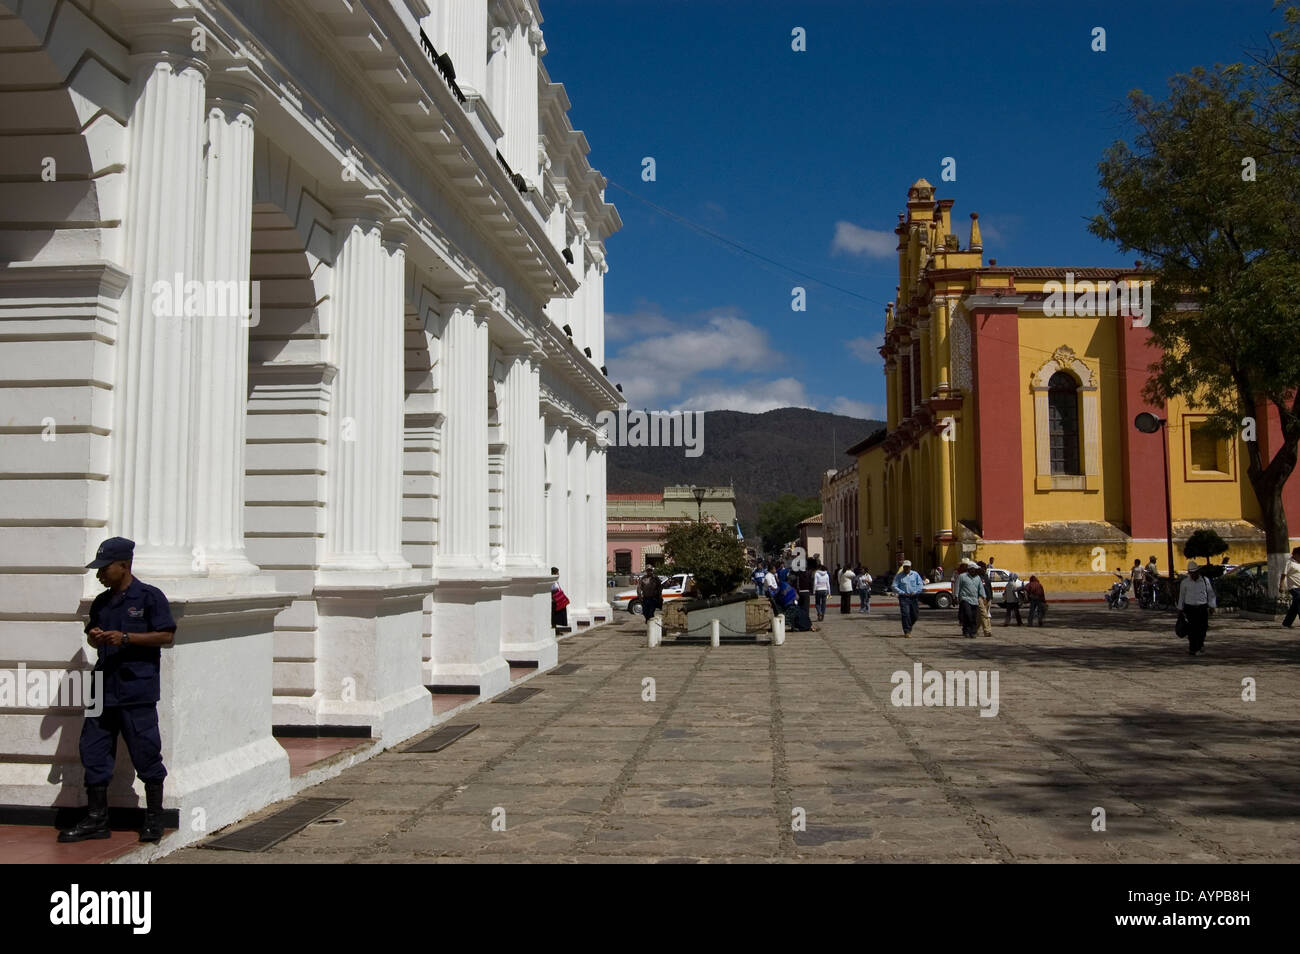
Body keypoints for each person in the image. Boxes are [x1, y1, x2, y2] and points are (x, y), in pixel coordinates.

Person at [59, 537, 176, 844]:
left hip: (136, 689)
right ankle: (97, 819)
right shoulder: (101, 602)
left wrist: (126, 638)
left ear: (124, 565)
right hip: (103, 688)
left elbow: (166, 635)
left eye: (104, 568)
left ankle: (154, 818)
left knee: (146, 751)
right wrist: (96, 637)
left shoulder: (150, 597)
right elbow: (92, 637)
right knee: (94, 750)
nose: (99, 575)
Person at [1177, 559, 1216, 655]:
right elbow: (1181, 596)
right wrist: (1180, 609)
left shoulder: (1205, 581)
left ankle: (1199, 645)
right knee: (1192, 629)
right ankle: (1193, 648)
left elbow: (1210, 593)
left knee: (1202, 628)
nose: (1193, 575)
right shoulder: (1185, 583)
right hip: (1189, 608)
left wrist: (1212, 606)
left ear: (1198, 571)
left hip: (1202, 607)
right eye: (1191, 573)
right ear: (1189, 573)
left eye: (1195, 572)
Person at [891, 559, 924, 638]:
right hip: (904, 597)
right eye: (905, 567)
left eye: (908, 567)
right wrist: (902, 592)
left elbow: (920, 585)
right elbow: (894, 586)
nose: (906, 568)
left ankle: (909, 625)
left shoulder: (915, 574)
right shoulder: (899, 576)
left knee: (915, 615)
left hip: (913, 597)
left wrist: (916, 591)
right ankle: (907, 631)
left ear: (910, 567)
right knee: (905, 614)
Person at [956, 562, 983, 638]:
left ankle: (972, 632)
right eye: (973, 569)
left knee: (974, 616)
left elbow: (980, 587)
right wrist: (956, 596)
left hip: (974, 599)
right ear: (970, 569)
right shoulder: (962, 576)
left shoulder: (977, 578)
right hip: (965, 598)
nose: (975, 571)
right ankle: (966, 630)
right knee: (968, 615)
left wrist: (983, 595)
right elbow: (957, 586)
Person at [1281, 547, 1300, 627]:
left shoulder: (1299, 563)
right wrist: (1281, 585)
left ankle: (1287, 623)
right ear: (1296, 555)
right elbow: (1283, 574)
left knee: (1295, 606)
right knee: (1299, 602)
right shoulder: (1289, 562)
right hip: (1294, 587)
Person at [975, 561, 994, 637]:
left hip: (988, 598)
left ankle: (974, 630)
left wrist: (990, 597)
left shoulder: (986, 576)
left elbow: (989, 587)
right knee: (984, 614)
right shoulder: (976, 577)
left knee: (980, 616)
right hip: (980, 598)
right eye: (983, 568)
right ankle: (987, 631)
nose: (984, 569)